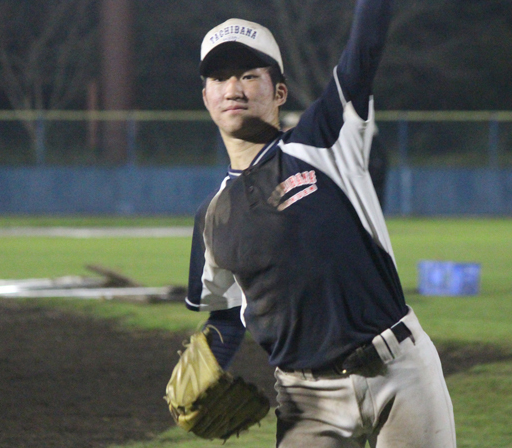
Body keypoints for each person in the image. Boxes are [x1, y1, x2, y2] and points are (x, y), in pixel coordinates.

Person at [185, 1, 456, 446]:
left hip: (401, 372)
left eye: (250, 74)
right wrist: (204, 367)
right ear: (206, 98)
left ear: (279, 93)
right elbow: (229, 313)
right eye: (219, 77)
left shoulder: (325, 137)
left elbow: (366, 41)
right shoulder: (212, 218)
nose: (233, 87)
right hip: (306, 399)